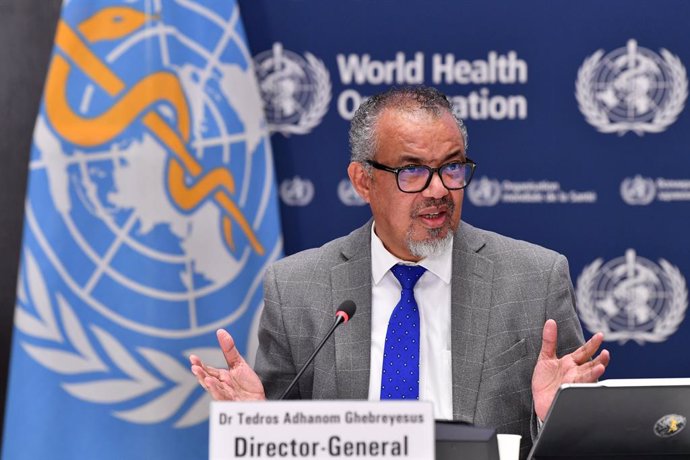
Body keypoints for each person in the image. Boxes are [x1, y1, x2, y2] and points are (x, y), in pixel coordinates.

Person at [190, 86, 609, 458]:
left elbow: (582, 443)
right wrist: (253, 426)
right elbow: (278, 445)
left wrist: (554, 417)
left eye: (452, 166)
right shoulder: (298, 288)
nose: (439, 189)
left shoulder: (534, 279)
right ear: (363, 181)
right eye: (412, 170)